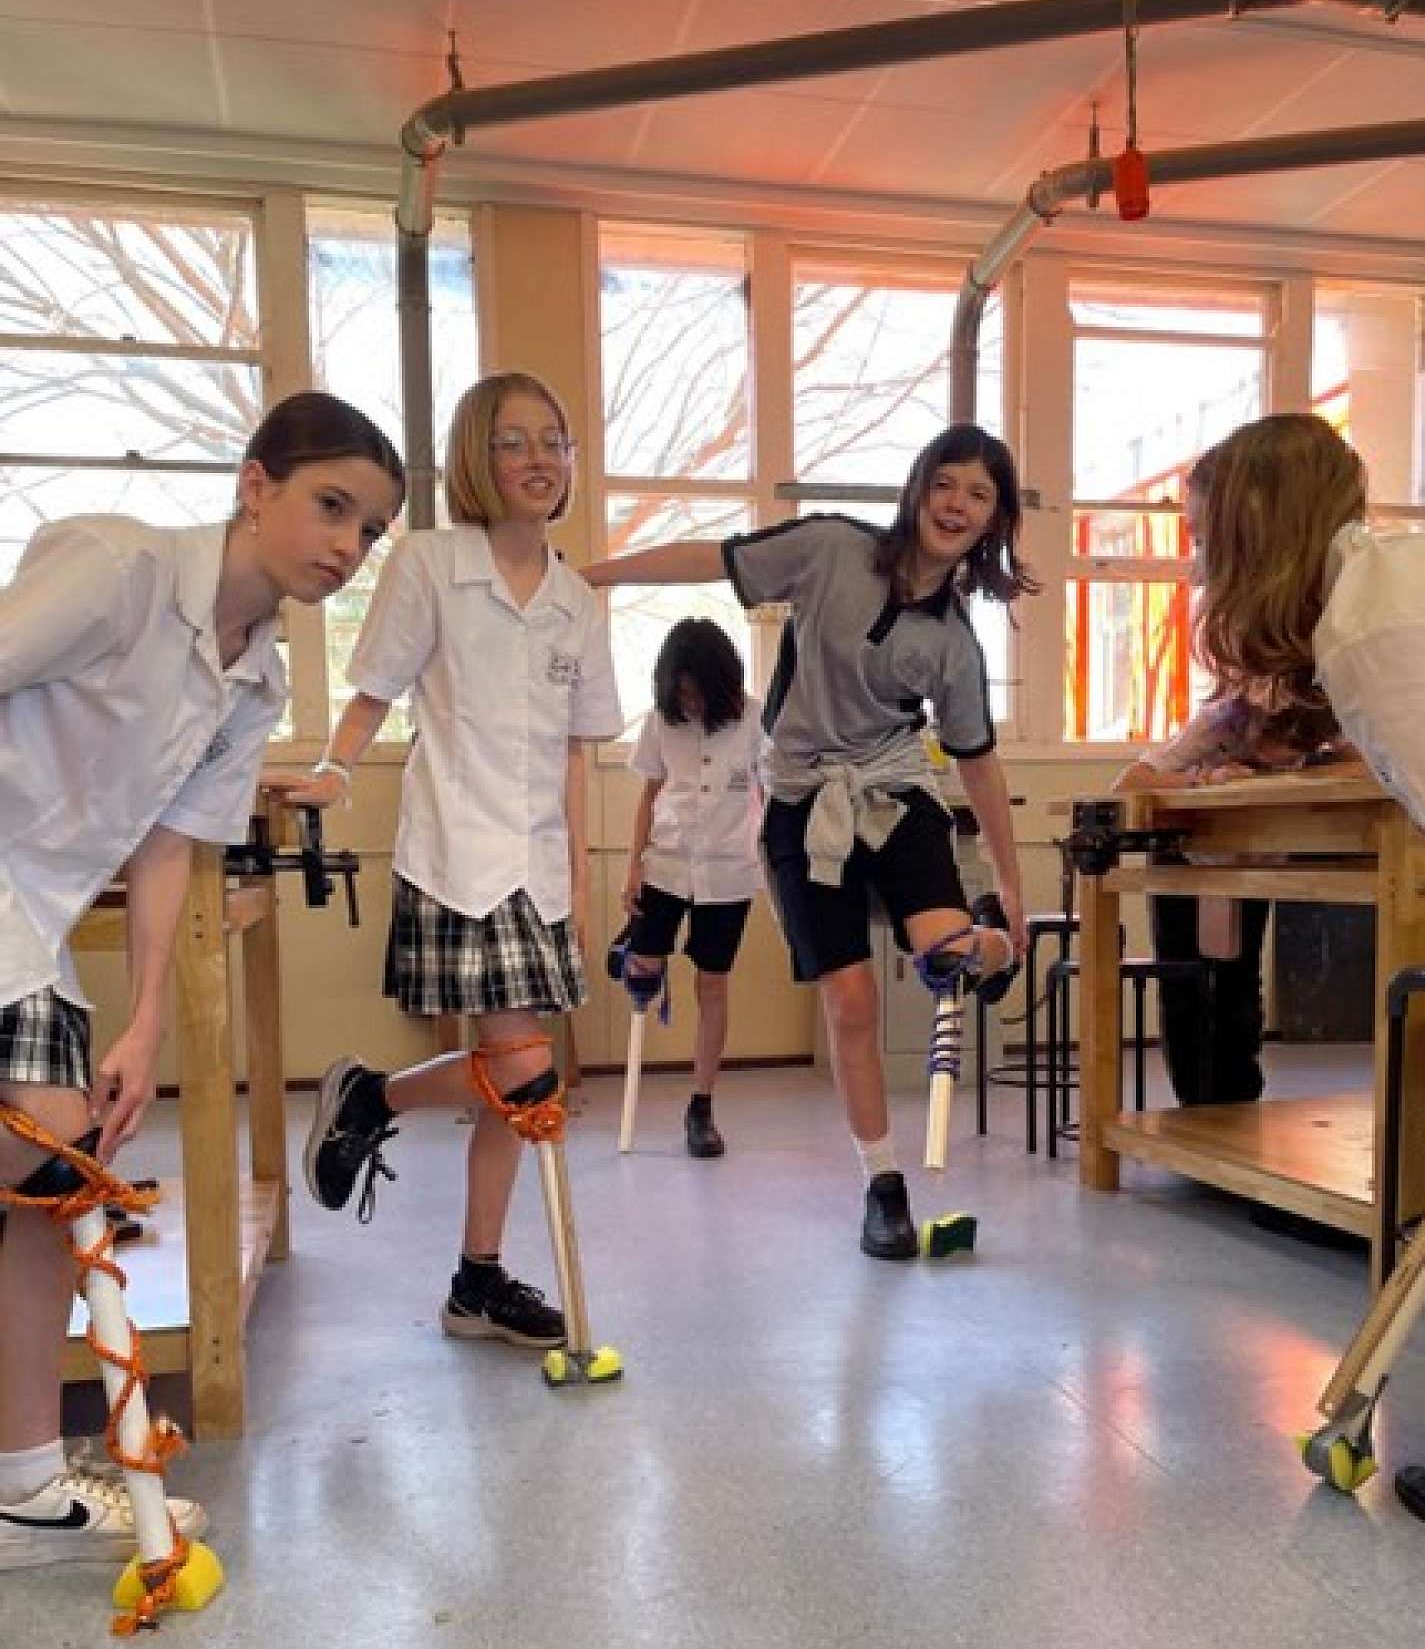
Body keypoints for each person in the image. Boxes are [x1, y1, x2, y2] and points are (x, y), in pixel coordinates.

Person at [0, 390, 405, 1571]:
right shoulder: (119, 569)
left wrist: (145, 1023)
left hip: (35, 915)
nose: (348, 544)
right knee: (46, 1143)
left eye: (370, 530)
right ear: (254, 484)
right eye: (332, 505)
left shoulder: (256, 684)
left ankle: (21, 1487)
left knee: (57, 1169)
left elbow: (170, 843)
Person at [586, 423, 1031, 1259]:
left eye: (979, 494)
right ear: (918, 487)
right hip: (797, 804)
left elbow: (978, 764)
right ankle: (883, 1187)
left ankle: (994, 943)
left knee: (948, 957)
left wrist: (1012, 887)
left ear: (994, 519)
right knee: (851, 1000)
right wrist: (593, 576)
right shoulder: (832, 549)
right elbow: (712, 559)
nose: (956, 504)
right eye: (946, 483)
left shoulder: (953, 642)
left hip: (892, 794)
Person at [1183, 410, 1425, 1544]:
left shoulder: (1378, 628)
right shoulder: (1363, 612)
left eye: (1203, 536)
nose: (1194, 562)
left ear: (1252, 532)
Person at [296, 372, 621, 1349]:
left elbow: (576, 755)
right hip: (453, 850)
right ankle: (379, 1108)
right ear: (477, 459)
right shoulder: (431, 563)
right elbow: (373, 690)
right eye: (512, 441)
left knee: (517, 1086)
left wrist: (580, 884)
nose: (537, 458)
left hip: (537, 867)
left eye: (552, 440)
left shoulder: (576, 601)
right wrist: (332, 770)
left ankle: (471, 1272)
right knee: (525, 1074)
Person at [1113, 437, 1360, 1110]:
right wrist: (1204, 784)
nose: (1200, 565)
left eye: (1205, 538)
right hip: (1197, 861)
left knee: (1232, 989)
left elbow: (1362, 763)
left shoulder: (1333, 688)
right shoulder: (1234, 707)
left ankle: (1230, 1111)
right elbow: (1136, 780)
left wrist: (1288, 775)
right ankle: (1206, 1114)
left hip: (1254, 862)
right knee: (1194, 988)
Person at [613, 617, 762, 1158]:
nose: (690, 704)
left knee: (712, 983)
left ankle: (701, 1105)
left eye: (698, 694)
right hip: (667, 865)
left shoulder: (754, 719)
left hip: (729, 872)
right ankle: (633, 951)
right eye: (681, 694)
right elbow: (648, 795)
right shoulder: (661, 722)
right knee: (643, 970)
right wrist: (632, 867)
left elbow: (773, 794)